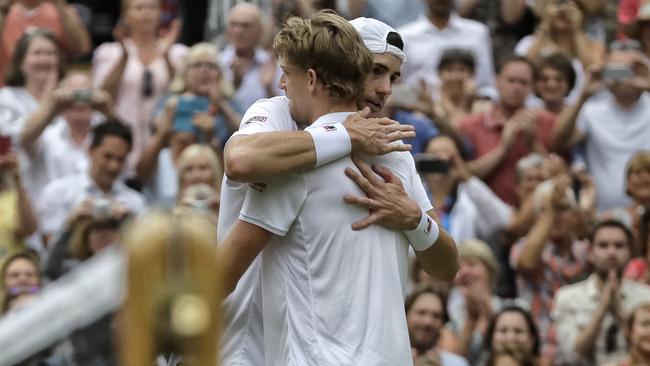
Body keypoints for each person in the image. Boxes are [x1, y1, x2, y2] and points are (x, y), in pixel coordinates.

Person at [219, 11, 458, 365]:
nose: (385, 89)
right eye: (377, 70)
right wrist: (344, 134)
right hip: (240, 344)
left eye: (393, 77)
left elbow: (446, 266)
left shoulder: (396, 154)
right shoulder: (280, 128)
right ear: (348, 62)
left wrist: (414, 220)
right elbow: (239, 160)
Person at [92, 0, 187, 177]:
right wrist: (125, 57)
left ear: (160, 13)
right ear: (125, 14)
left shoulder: (177, 53)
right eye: (139, 7)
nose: (146, 13)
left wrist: (165, 56)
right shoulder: (109, 52)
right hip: (121, 145)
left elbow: (184, 93)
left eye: (152, 7)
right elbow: (102, 96)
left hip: (164, 146)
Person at [551, 43, 650, 211]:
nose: (624, 77)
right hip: (603, 216)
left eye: (630, 70)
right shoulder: (592, 110)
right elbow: (559, 141)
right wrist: (583, 95)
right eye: (616, 71)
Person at [136, 43, 236, 206]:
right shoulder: (172, 101)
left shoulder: (230, 103)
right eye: (197, 65)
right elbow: (141, 171)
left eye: (211, 66)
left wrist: (220, 107)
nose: (204, 70)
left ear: (220, 73)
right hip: (170, 165)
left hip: (214, 165)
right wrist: (164, 129)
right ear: (185, 72)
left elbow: (244, 133)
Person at [458, 56, 558, 206]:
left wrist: (532, 143)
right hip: (485, 214)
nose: (516, 87)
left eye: (524, 82)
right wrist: (503, 149)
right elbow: (463, 175)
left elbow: (558, 175)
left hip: (536, 213)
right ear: (497, 81)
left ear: (532, 87)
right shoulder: (470, 125)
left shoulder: (547, 121)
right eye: (511, 80)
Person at [510, 176, 589, 355]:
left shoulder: (586, 251)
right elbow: (527, 263)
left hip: (576, 348)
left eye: (562, 208)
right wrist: (552, 209)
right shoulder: (522, 246)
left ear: (573, 213)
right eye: (546, 209)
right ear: (539, 216)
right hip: (534, 349)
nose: (556, 216)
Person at [553, 219, 650, 365]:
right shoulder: (567, 297)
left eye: (619, 245)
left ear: (630, 252)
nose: (611, 252)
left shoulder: (646, 296)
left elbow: (645, 349)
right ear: (590, 252)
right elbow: (572, 355)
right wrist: (602, 308)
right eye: (603, 245)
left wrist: (618, 309)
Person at [37, 120, 146, 241]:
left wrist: (129, 224)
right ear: (90, 150)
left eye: (121, 159)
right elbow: (49, 246)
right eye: (108, 156)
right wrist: (71, 224)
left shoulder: (136, 203)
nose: (113, 166)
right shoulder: (58, 193)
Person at [18, 72, 114, 200]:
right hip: (53, 213)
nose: (79, 101)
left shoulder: (106, 131)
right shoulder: (47, 133)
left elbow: (126, 146)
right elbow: (23, 139)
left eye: (85, 94)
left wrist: (107, 109)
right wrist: (52, 107)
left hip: (94, 213)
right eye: (73, 94)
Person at [420, 135, 512, 243]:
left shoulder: (470, 197)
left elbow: (502, 221)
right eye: (433, 155)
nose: (440, 160)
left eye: (448, 155)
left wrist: (466, 177)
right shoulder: (414, 194)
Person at [397, 0, 496, 98]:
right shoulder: (405, 36)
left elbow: (486, 85)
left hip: (470, 107)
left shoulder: (477, 33)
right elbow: (397, 83)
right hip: (416, 109)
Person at [515, 0, 604, 103]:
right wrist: (545, 25)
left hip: (578, 109)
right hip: (535, 108)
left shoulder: (594, 46)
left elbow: (594, 76)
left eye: (573, 6)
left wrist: (576, 30)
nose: (564, 11)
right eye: (558, 4)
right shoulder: (528, 43)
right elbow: (522, 72)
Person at [0, 0, 91, 86]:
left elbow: (81, 48)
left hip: (52, 88)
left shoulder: (60, 11)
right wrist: (2, 9)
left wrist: (60, 4)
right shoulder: (5, 12)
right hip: (7, 87)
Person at [0, 29, 65, 142]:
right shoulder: (7, 97)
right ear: (21, 62)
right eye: (37, 53)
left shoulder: (67, 96)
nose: (44, 60)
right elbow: (9, 136)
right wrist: (48, 100)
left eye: (51, 53)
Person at [447, 240, 503, 364]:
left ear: (489, 270)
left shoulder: (509, 309)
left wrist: (490, 313)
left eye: (472, 264)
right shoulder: (449, 319)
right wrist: (471, 320)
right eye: (459, 267)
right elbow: (453, 361)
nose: (464, 272)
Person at [218, 3, 281, 111]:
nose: (238, 31)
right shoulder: (216, 63)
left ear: (260, 30)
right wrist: (233, 86)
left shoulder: (271, 65)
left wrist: (268, 88)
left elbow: (286, 111)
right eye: (233, 24)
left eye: (245, 25)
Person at [406, 285, 469, 366]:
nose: (428, 322)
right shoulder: (388, 358)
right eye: (421, 313)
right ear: (405, 314)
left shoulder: (458, 363)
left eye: (436, 315)